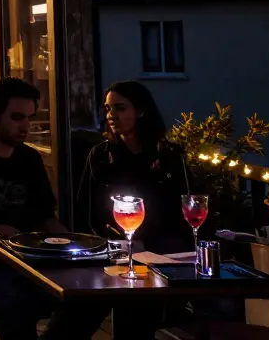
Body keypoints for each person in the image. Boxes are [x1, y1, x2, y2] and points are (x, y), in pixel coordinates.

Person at [0, 78, 102, 340]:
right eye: (17, 117)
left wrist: (76, 249)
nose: (25, 126)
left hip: (30, 266)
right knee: (14, 308)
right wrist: (5, 233)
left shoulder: (29, 159)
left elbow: (45, 218)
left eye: (29, 118)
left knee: (90, 299)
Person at [73, 82, 193, 340]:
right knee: (75, 314)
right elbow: (86, 210)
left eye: (119, 107)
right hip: (112, 250)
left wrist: (150, 245)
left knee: (137, 306)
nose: (111, 115)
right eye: (108, 109)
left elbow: (184, 209)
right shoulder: (102, 155)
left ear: (140, 111)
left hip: (160, 252)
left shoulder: (168, 156)